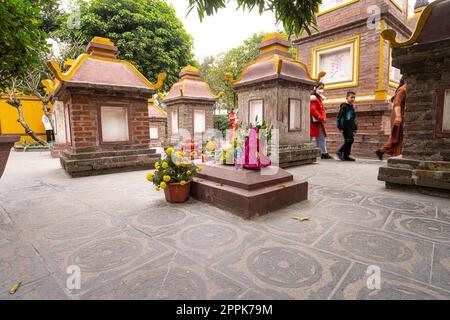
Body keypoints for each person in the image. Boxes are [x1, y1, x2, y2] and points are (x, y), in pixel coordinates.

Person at [375, 77, 407, 160]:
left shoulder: (405, 89)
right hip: (398, 115)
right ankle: (387, 153)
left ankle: (383, 151)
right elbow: (397, 104)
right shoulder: (402, 89)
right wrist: (398, 116)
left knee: (398, 137)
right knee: (397, 136)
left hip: (400, 114)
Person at [310, 82, 333, 159]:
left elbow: (322, 110)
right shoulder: (313, 97)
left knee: (321, 136)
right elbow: (312, 109)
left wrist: (323, 118)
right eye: (320, 88)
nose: (321, 90)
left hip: (318, 121)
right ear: (315, 88)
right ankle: (305, 151)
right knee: (308, 137)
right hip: (312, 121)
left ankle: (323, 153)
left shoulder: (319, 98)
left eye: (322, 88)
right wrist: (321, 118)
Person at [336, 92, 357, 161]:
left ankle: (346, 155)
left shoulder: (352, 107)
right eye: (351, 97)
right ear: (347, 98)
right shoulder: (344, 106)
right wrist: (340, 127)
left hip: (351, 127)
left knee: (350, 140)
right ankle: (340, 151)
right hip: (345, 126)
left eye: (354, 97)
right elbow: (340, 117)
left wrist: (355, 128)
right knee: (349, 140)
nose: (353, 99)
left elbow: (353, 118)